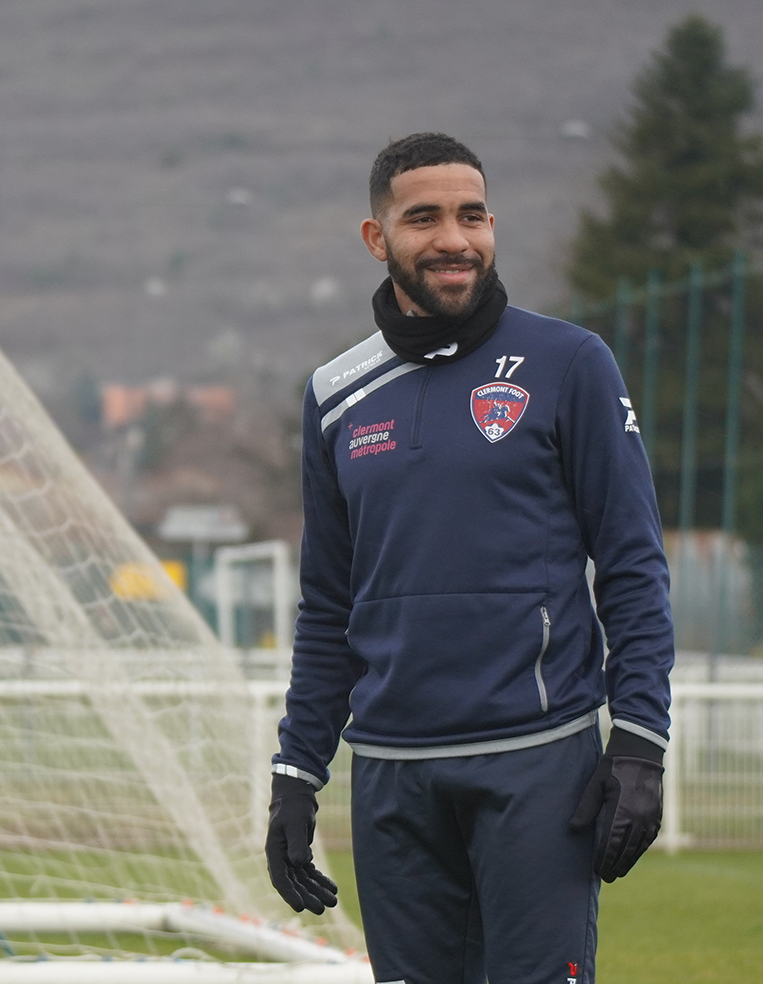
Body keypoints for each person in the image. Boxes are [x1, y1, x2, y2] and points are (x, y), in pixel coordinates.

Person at [266, 133, 672, 984]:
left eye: (472, 215)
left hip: (537, 763)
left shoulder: (570, 364)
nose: (454, 237)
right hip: (390, 780)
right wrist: (297, 773)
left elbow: (632, 565)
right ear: (378, 240)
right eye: (425, 217)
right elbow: (330, 606)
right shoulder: (335, 396)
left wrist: (638, 742)